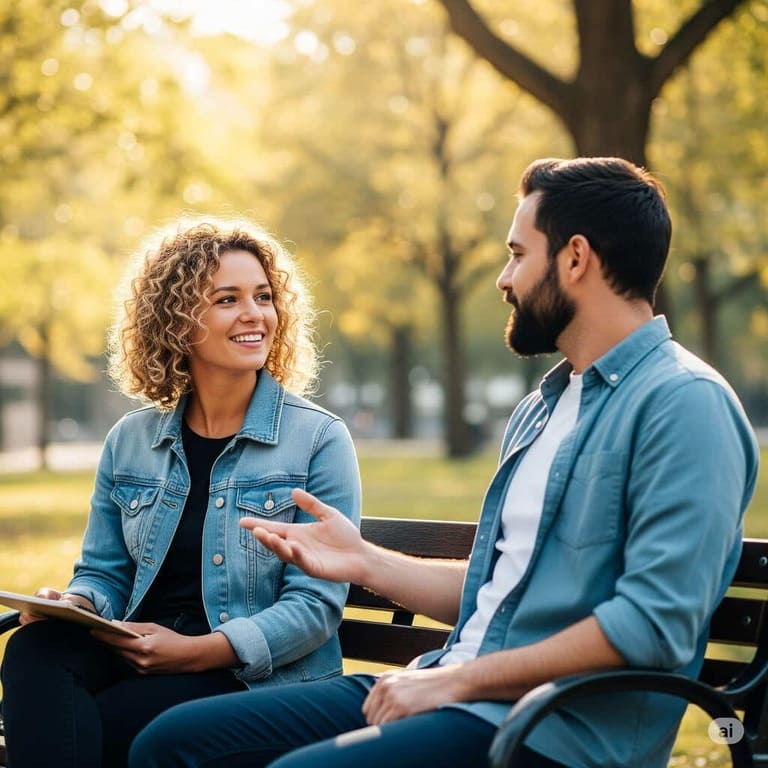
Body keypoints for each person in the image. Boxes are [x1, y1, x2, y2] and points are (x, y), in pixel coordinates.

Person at [128, 158, 760, 768]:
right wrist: (364, 561)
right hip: (455, 694)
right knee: (171, 743)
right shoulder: (545, 406)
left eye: (517, 254)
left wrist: (456, 684)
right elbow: (499, 589)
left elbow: (653, 626)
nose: (503, 279)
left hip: (550, 732)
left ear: (575, 257)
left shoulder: (684, 404)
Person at [0, 218, 362, 768]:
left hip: (252, 677)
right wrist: (75, 606)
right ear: (175, 322)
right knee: (34, 650)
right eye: (227, 299)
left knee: (100, 721)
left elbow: (314, 608)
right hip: (139, 650)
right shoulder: (132, 439)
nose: (254, 314)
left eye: (263, 297)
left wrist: (196, 653)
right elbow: (105, 573)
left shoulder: (316, 439)